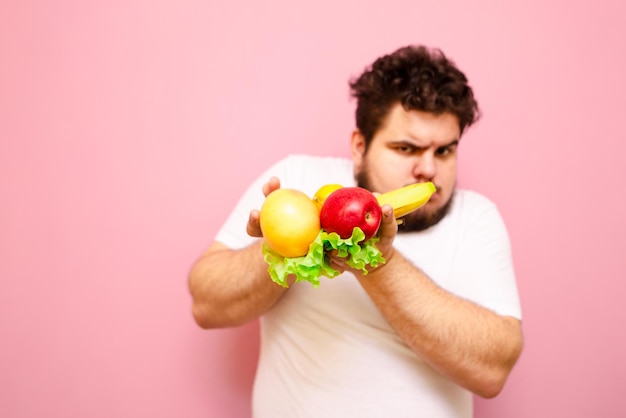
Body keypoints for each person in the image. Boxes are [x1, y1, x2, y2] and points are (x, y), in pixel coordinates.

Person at [188, 45, 523, 418]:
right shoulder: (298, 184)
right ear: (360, 147)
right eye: (406, 148)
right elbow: (206, 303)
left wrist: (378, 264)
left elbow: (493, 369)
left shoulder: (476, 218)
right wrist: (286, 247)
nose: (428, 169)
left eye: (445, 151)